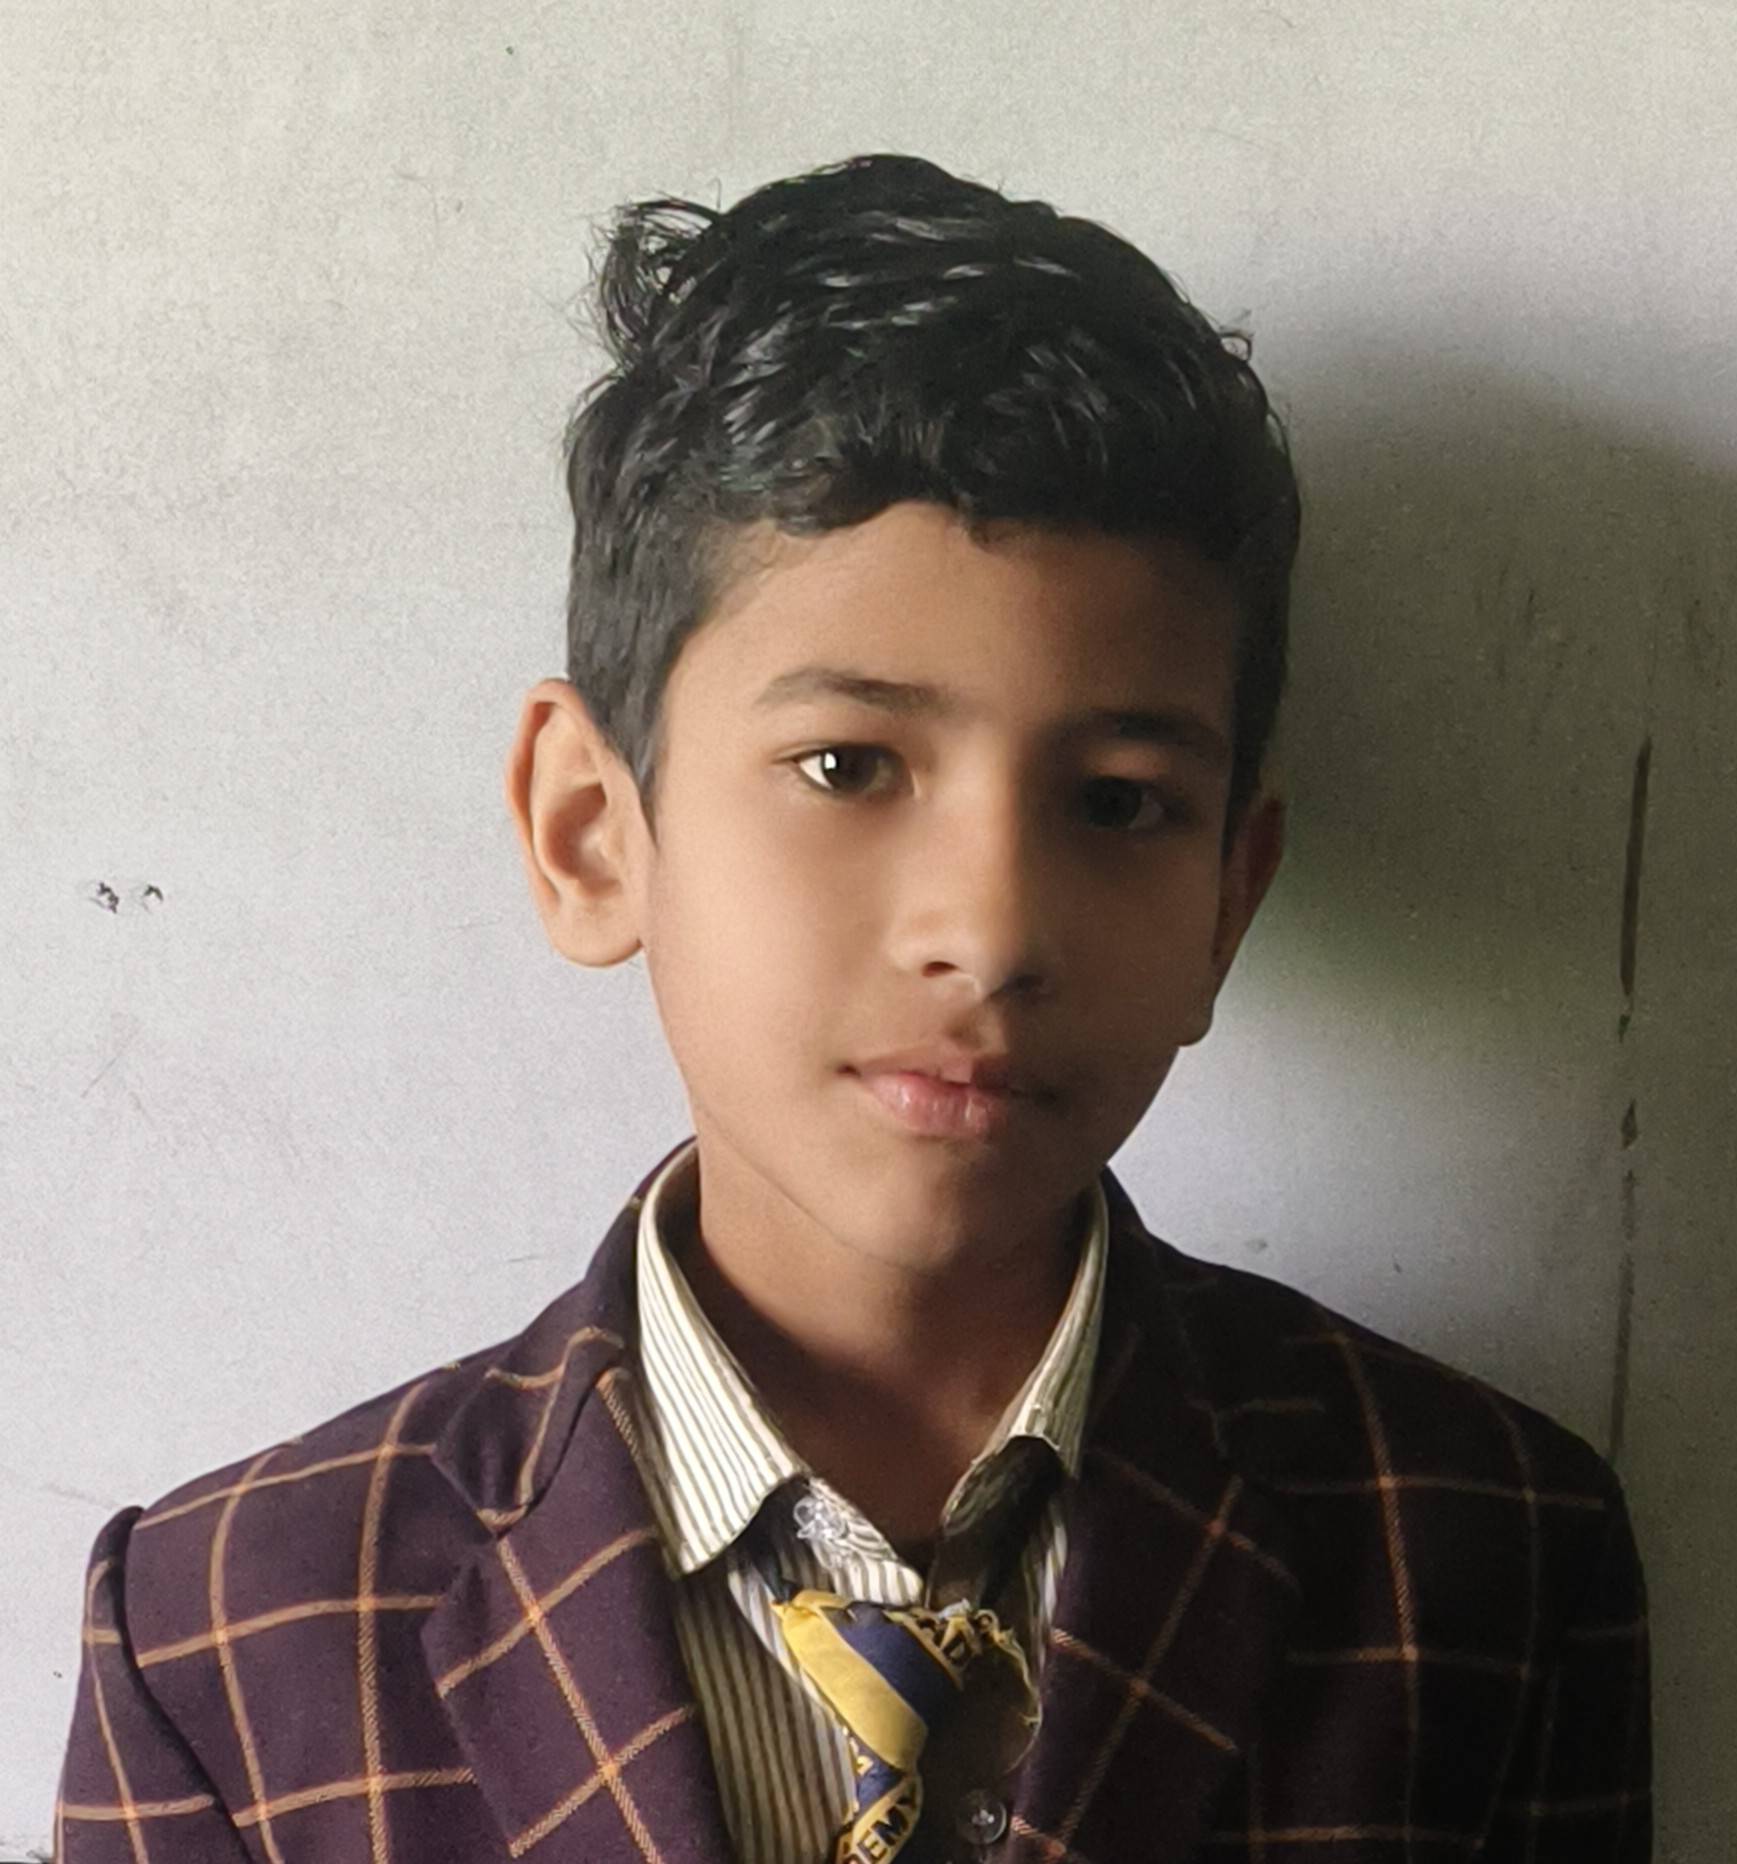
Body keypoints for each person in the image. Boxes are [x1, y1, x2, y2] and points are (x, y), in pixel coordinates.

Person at [54, 152, 1650, 1863]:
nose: (991, 930)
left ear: (1225, 901)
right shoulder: (228, 1638)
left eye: (1118, 802)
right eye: (847, 766)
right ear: (590, 831)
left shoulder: (1481, 1552)